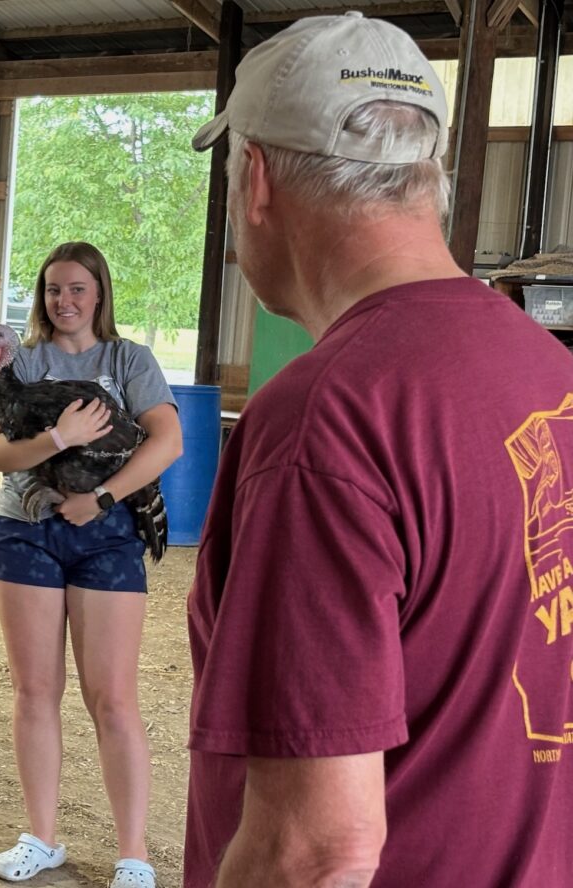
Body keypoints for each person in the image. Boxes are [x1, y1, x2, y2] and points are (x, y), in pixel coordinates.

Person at [184, 11, 573, 888]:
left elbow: (313, 853)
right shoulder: (552, 376)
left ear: (255, 180)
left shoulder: (329, 418)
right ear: (425, 177)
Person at [0, 242, 182, 888]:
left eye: (76, 289)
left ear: (98, 294)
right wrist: (59, 439)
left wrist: (102, 500)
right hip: (26, 531)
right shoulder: (22, 362)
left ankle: (134, 855)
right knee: (34, 690)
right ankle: (41, 838)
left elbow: (168, 440)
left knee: (112, 697)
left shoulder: (128, 360)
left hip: (107, 533)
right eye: (52, 289)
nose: (62, 301)